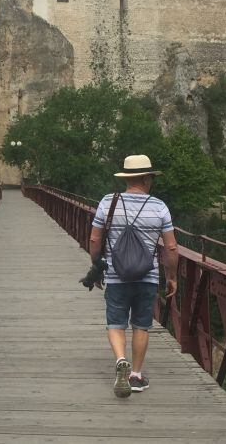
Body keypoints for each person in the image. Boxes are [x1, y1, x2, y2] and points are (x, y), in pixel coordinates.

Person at [88, 154, 179, 397]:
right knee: (141, 325)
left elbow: (95, 239)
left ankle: (120, 361)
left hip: (117, 276)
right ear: (148, 179)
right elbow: (171, 247)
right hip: (147, 277)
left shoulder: (109, 202)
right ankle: (136, 376)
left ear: (127, 178)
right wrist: (172, 276)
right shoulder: (160, 206)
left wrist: (96, 266)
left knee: (115, 323)